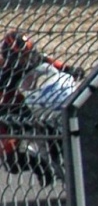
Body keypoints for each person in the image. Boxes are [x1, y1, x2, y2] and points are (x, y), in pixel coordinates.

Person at [0, 30, 85, 186]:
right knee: (11, 160)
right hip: (12, 110)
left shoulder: (34, 56)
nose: (25, 60)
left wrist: (70, 69)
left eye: (26, 54)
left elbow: (54, 63)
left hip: (41, 101)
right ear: (8, 59)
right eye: (19, 58)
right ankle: (39, 164)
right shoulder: (4, 73)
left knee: (81, 104)